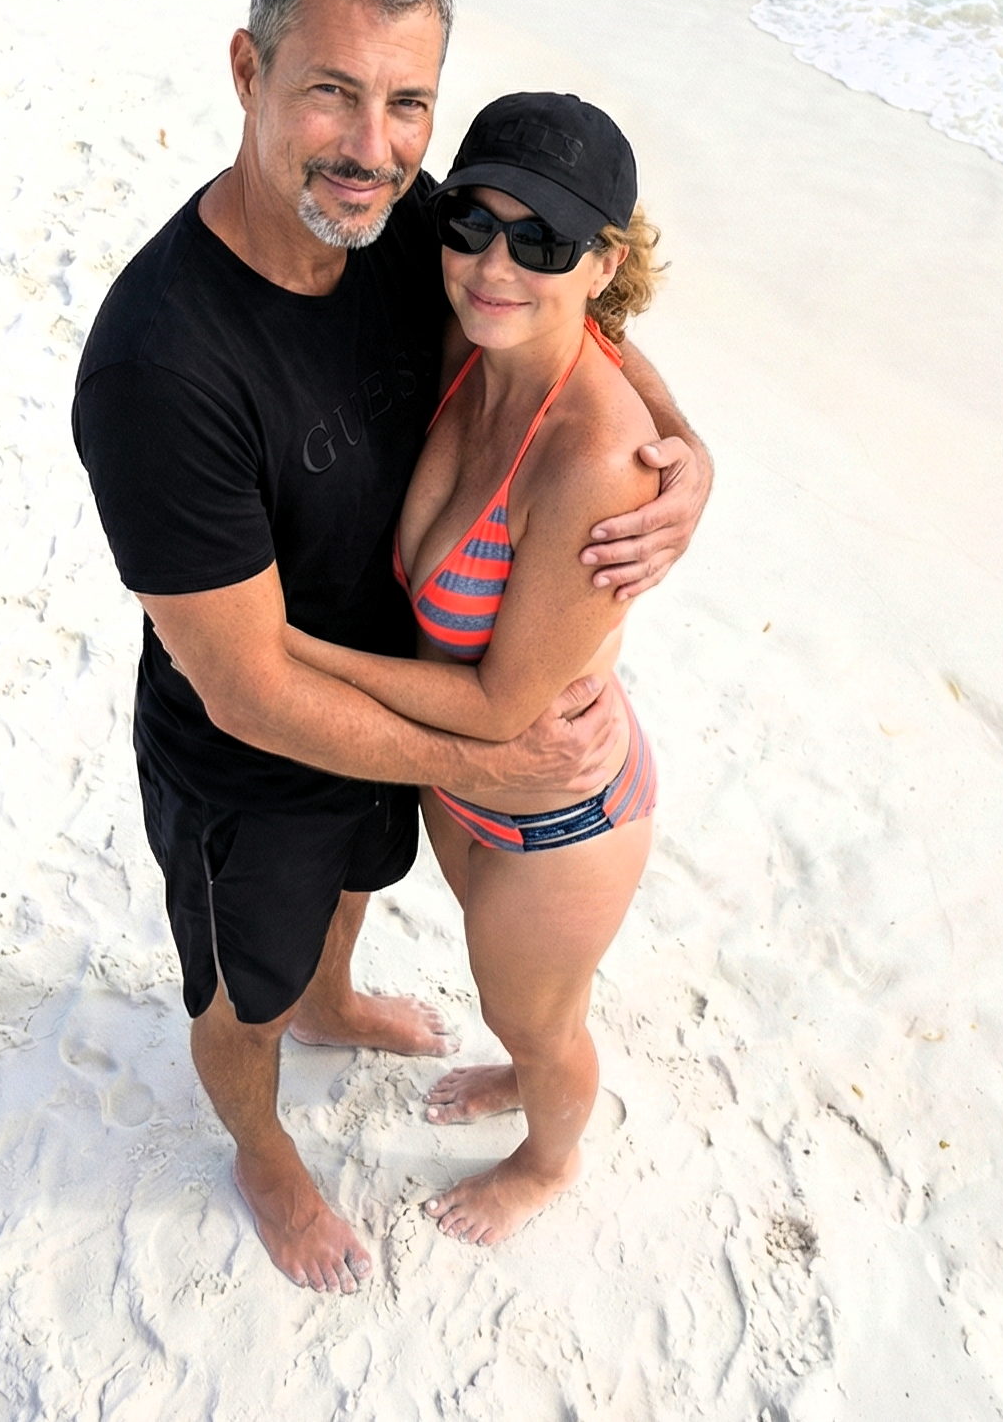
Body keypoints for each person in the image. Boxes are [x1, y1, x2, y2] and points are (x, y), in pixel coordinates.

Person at [71, 0, 712, 1294]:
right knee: (242, 997)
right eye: (331, 90)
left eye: (407, 100)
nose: (371, 141)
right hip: (254, 754)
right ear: (248, 71)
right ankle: (262, 1150)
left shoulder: (408, 223)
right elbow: (245, 682)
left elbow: (571, 312)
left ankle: (342, 998)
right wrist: (484, 754)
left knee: (355, 894)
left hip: (403, 709)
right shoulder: (161, 364)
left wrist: (689, 453)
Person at [284, 91, 666, 1244]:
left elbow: (504, 701)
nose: (495, 264)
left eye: (540, 241)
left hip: (556, 818)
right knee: (517, 993)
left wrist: (288, 651)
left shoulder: (594, 454)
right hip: (459, 784)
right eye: (472, 225)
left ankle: (547, 1158)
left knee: (539, 1023)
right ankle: (518, 1059)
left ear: (600, 264)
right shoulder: (472, 340)